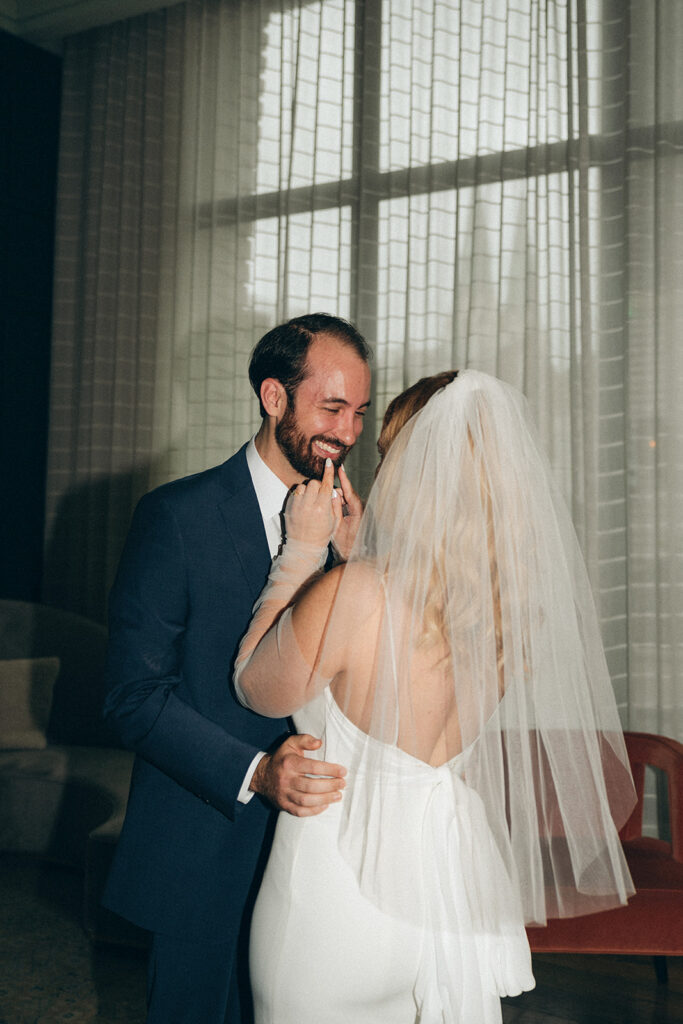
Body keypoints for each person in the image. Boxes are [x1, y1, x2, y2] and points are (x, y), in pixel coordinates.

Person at [234, 369, 637, 1024]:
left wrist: (301, 553)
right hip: (439, 905)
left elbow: (254, 686)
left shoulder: (357, 593)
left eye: (392, 457)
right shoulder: (504, 610)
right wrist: (357, 552)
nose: (383, 473)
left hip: (335, 901)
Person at [101, 313, 372, 1024]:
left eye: (360, 413)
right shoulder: (175, 516)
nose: (347, 433)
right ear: (273, 397)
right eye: (332, 407)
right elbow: (132, 696)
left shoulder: (357, 523)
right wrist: (255, 772)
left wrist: (357, 557)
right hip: (203, 848)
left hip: (325, 857)